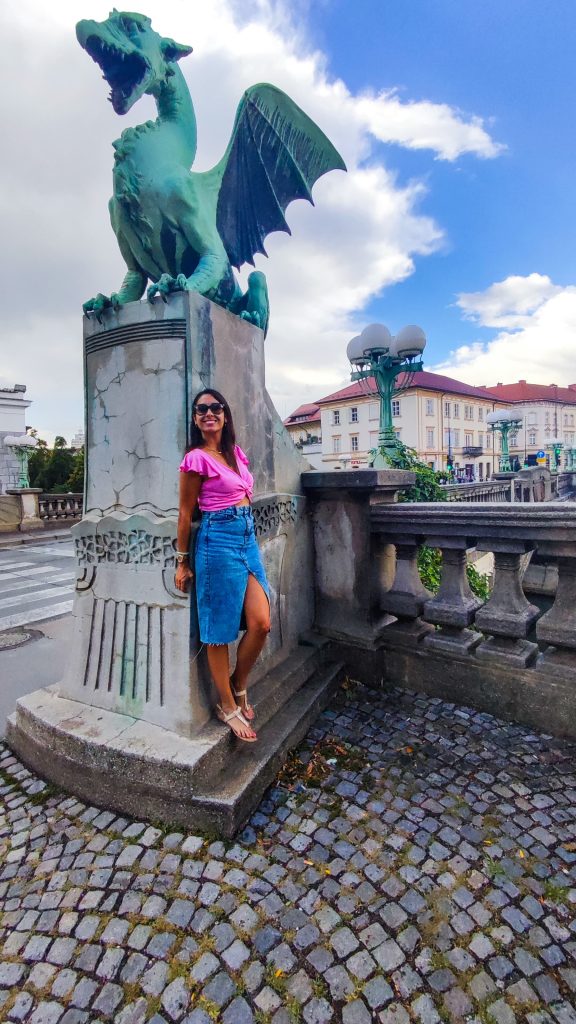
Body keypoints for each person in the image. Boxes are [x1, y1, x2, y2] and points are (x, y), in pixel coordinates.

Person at [175, 389, 270, 742]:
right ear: (196, 419)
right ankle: (227, 705)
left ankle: (238, 683)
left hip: (246, 539)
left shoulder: (233, 454)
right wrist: (182, 561)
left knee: (261, 623)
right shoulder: (196, 459)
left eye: (215, 407)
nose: (208, 413)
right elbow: (185, 513)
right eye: (201, 409)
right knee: (218, 631)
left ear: (225, 415)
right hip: (217, 540)